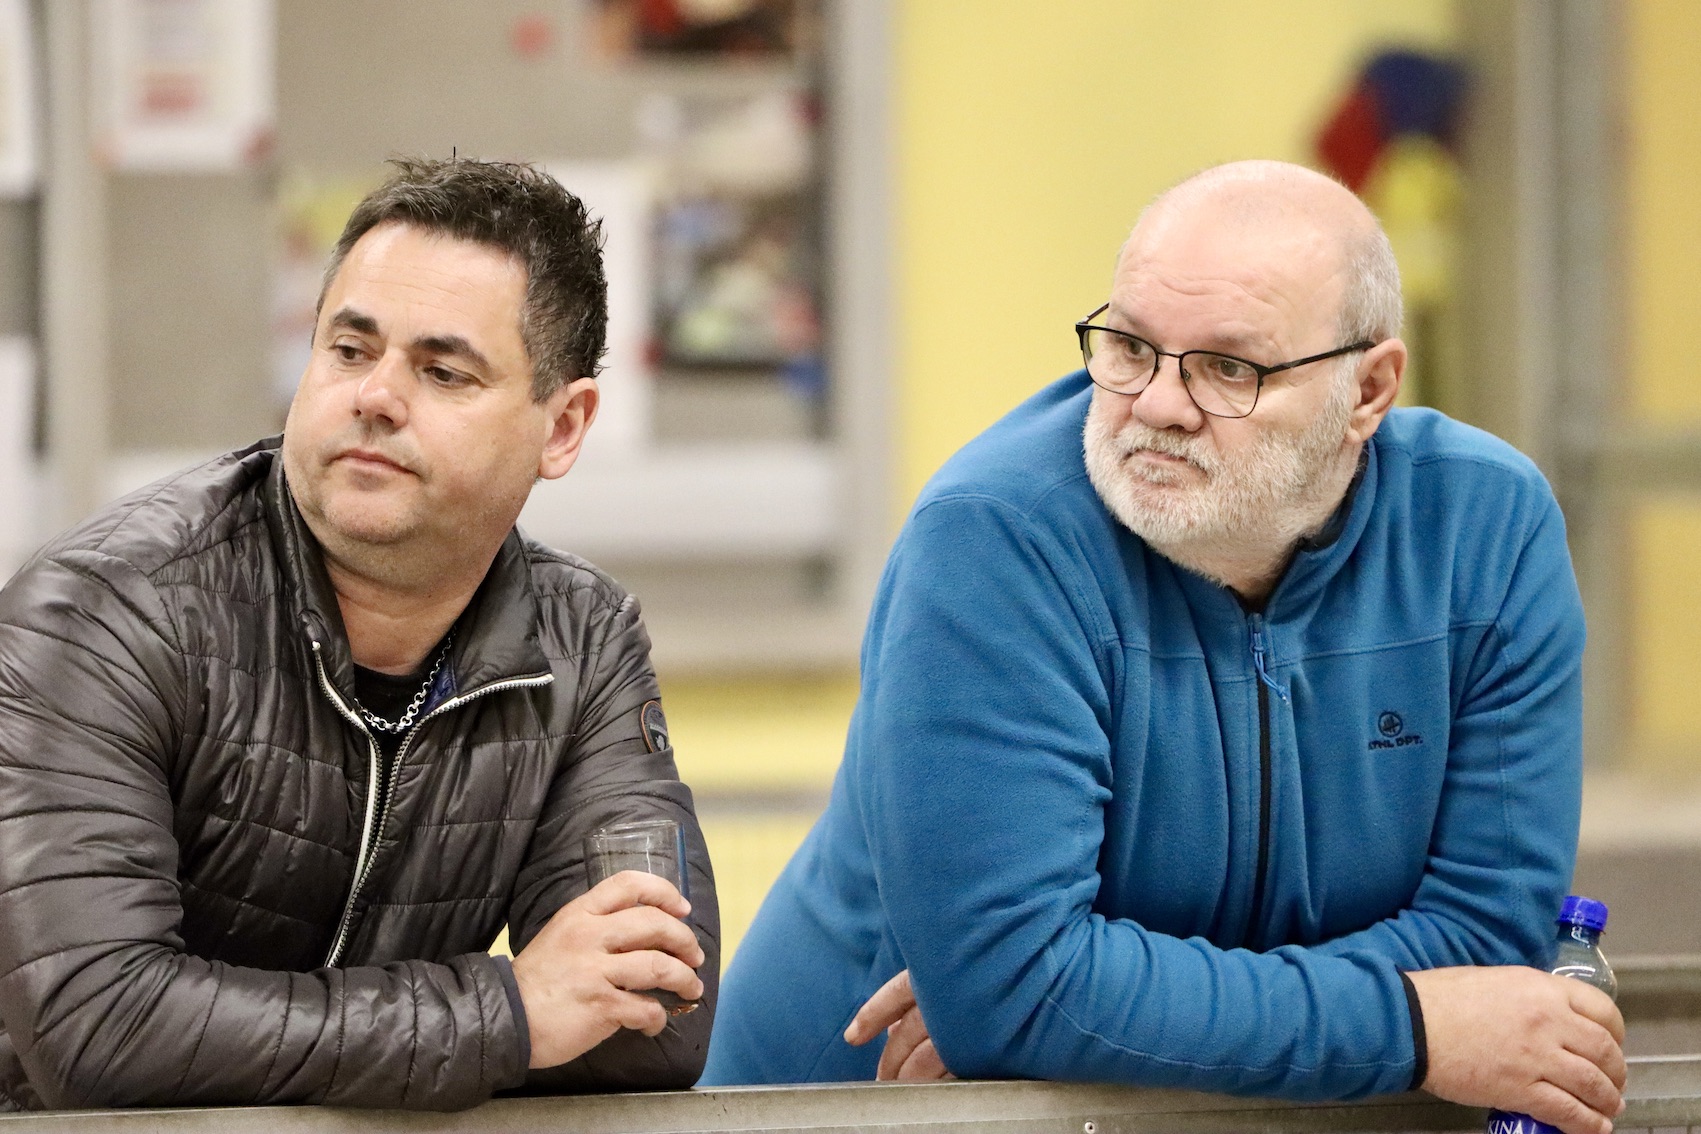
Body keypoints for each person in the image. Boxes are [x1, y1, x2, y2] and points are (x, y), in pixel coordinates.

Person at [704, 161, 1627, 1134]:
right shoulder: (994, 538)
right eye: (1131, 347)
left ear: (1368, 390)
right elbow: (1017, 989)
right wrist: (1413, 1022)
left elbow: (1487, 942)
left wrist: (1101, 1014)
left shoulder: (1486, 528)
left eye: (1229, 368)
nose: (1157, 404)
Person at [0, 157, 718, 1111]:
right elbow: (98, 1025)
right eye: (349, 350)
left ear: (562, 427)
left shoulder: (580, 641)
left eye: (442, 371)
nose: (375, 396)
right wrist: (506, 1011)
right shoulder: (106, 611)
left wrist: (475, 1024)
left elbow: (655, 1013)